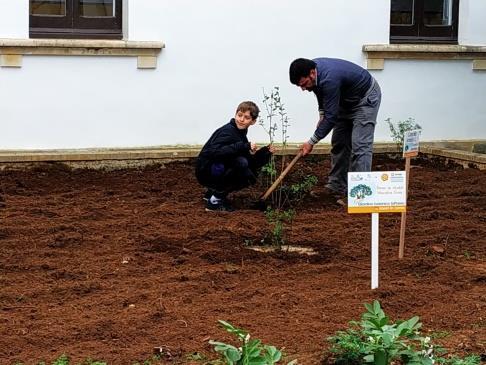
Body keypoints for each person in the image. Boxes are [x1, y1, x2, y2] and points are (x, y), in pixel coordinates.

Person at [289, 57, 381, 202]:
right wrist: (322, 114)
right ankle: (337, 186)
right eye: (300, 86)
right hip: (344, 101)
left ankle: (360, 196)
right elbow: (319, 92)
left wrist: (311, 142)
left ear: (312, 73)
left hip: (365, 100)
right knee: (339, 143)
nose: (303, 88)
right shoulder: (313, 70)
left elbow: (331, 118)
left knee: (360, 147)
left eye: (304, 84)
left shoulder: (329, 78)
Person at [195, 101, 275, 212]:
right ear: (235, 114)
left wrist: (265, 153)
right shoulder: (228, 131)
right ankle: (214, 203)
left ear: (253, 121)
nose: (241, 119)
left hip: (211, 169)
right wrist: (243, 146)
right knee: (241, 164)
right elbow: (214, 152)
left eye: (246, 117)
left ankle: (211, 194)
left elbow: (250, 161)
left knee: (246, 170)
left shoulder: (239, 133)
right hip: (206, 170)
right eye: (239, 115)